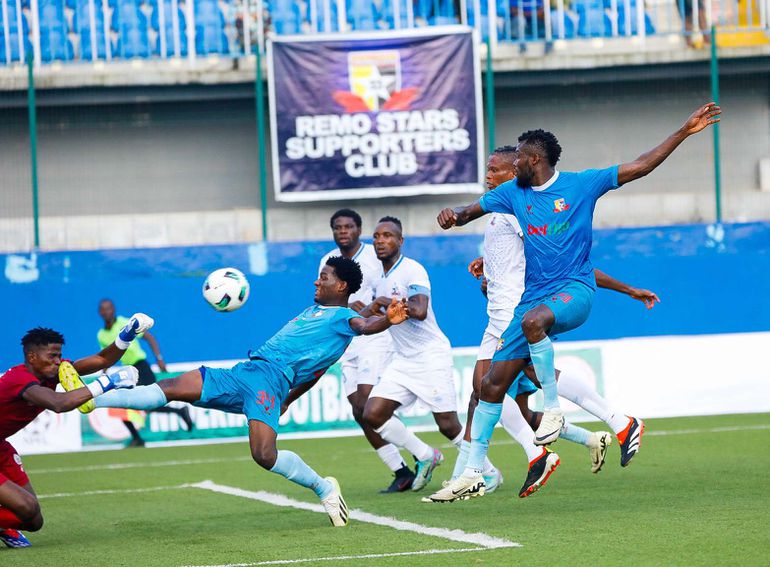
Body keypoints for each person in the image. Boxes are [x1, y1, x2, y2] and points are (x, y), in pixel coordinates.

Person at [433, 102, 720, 501]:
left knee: (533, 324)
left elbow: (640, 166)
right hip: (531, 301)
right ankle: (474, 470)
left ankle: (554, 411)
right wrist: (452, 215)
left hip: (575, 291)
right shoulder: (512, 195)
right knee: (490, 385)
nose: (512, 164)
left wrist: (683, 132)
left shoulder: (581, 185)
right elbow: (468, 212)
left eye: (517, 158)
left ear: (535, 160)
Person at [75, 257, 409, 527]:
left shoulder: (344, 317)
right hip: (246, 371)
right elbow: (317, 370)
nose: (316, 281)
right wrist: (290, 399)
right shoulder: (317, 312)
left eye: (323, 277)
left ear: (341, 285)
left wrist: (386, 320)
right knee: (171, 387)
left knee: (264, 455)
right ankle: (91, 398)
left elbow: (364, 326)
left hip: (269, 382)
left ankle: (324, 487)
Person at [429, 146, 661, 502]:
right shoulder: (501, 209)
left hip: (516, 312)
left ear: (515, 171)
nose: (488, 175)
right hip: (501, 313)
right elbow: (512, 255)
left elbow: (565, 262)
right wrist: (488, 267)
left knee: (490, 388)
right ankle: (599, 430)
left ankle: (502, 464)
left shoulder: (519, 207)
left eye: (496, 169)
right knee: (503, 390)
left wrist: (626, 289)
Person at [0, 316, 152, 548]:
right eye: (52, 356)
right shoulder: (19, 378)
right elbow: (58, 403)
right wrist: (108, 382)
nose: (58, 362)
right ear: (32, 357)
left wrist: (127, 335)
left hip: (1, 445)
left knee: (33, 520)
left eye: (59, 356)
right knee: (27, 507)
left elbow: (102, 359)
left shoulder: (52, 372)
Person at [361, 216, 484, 492]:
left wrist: (385, 303)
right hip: (403, 360)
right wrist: (368, 310)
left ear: (400, 241)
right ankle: (426, 455)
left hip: (430, 356)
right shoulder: (377, 278)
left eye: (387, 236)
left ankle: (487, 472)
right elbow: (375, 314)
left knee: (448, 425)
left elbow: (419, 311)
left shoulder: (412, 270)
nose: (380, 241)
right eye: (376, 236)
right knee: (373, 413)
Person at [318, 209, 415, 493]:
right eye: (338, 227)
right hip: (346, 341)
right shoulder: (328, 261)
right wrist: (349, 307)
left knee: (367, 402)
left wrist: (375, 308)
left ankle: (423, 454)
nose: (343, 231)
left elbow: (391, 292)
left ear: (359, 230)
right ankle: (401, 471)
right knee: (359, 411)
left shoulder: (376, 255)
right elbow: (324, 299)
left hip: (374, 337)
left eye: (348, 226)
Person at [97, 299, 193, 447]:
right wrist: (102, 376)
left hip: (141, 366)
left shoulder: (125, 323)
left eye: (109, 308)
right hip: (127, 371)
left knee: (149, 402)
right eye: (103, 309)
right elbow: (105, 358)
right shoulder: (101, 335)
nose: (106, 312)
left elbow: (150, 338)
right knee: (122, 404)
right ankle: (139, 437)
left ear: (113, 309)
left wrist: (159, 358)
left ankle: (179, 412)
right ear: (100, 313)